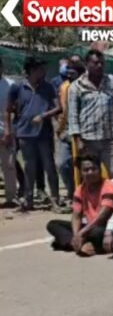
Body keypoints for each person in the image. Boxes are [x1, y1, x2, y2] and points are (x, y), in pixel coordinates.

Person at [5, 56, 62, 211]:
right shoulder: (17, 87)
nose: (43, 71)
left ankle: (55, 200)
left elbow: (58, 107)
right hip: (24, 133)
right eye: (40, 69)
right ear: (31, 70)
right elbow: (9, 110)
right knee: (29, 167)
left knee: (49, 166)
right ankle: (28, 200)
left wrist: (43, 116)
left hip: (44, 133)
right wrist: (9, 131)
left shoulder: (48, 87)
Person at [46, 154, 113, 256]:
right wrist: (76, 235)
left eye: (93, 169)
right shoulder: (80, 189)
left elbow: (102, 217)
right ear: (81, 172)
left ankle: (73, 244)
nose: (90, 172)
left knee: (97, 232)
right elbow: (76, 215)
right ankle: (78, 244)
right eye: (86, 170)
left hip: (109, 228)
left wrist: (82, 233)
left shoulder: (109, 186)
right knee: (53, 224)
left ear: (100, 169)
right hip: (90, 228)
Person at [56, 61, 85, 203]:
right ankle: (72, 191)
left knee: (85, 165)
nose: (69, 75)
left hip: (84, 132)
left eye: (72, 73)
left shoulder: (86, 87)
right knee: (62, 163)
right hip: (67, 131)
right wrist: (60, 128)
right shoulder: (65, 87)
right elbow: (63, 109)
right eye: (68, 72)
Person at [0, 57, 17, 209]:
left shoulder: (11, 85)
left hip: (7, 131)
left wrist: (8, 131)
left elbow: (14, 110)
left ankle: (11, 197)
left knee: (9, 165)